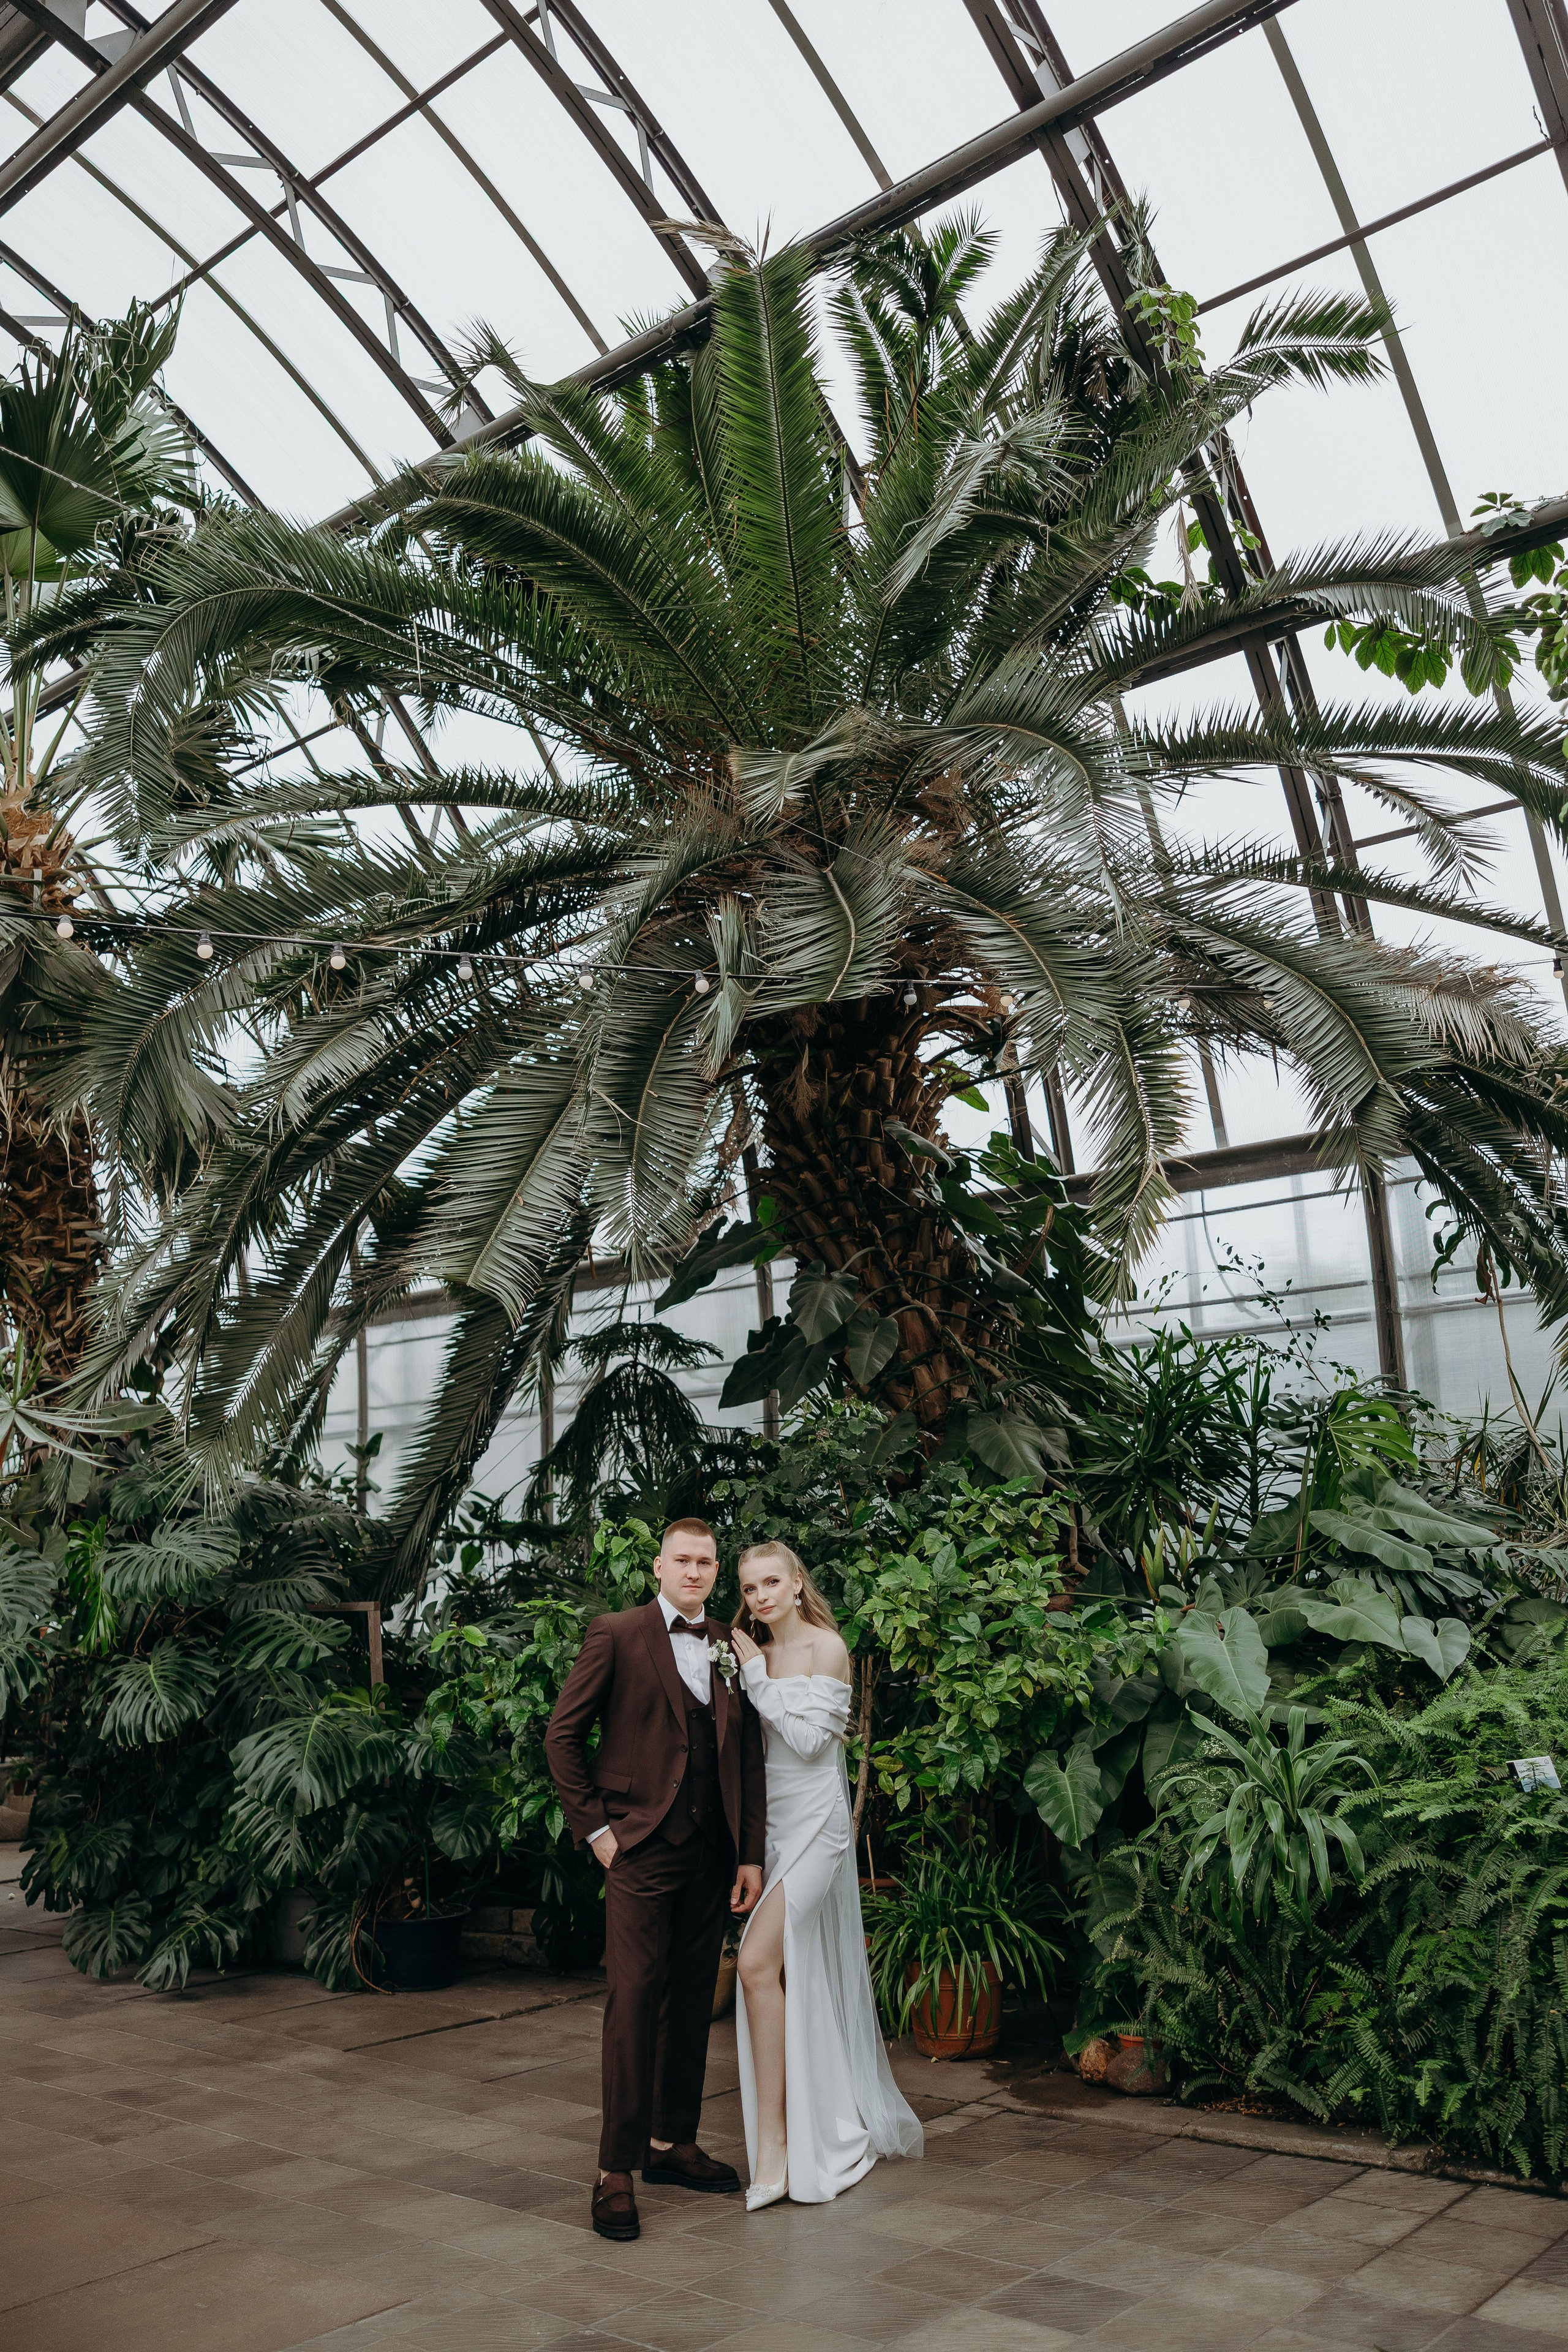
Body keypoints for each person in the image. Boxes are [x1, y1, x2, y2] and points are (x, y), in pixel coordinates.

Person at [544, 1517, 766, 2244]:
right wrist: (599, 1833)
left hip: (711, 1852)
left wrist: (749, 1854)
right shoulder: (616, 1632)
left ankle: (673, 2143)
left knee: (690, 2000)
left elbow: (748, 1760)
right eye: (683, 1560)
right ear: (658, 1566)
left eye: (706, 1562)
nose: (695, 1572)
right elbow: (563, 1736)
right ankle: (614, 2168)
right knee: (633, 1999)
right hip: (638, 1847)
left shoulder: (733, 1648)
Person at [730, 1540, 923, 2210]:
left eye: (771, 1582)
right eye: (750, 1587)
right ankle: (816, 2125)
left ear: (795, 1583)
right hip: (773, 1831)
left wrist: (756, 1678)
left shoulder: (823, 1648)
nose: (760, 1596)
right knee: (793, 1971)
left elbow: (812, 1745)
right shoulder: (748, 1651)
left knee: (757, 1963)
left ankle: (778, 2144)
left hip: (818, 1829)